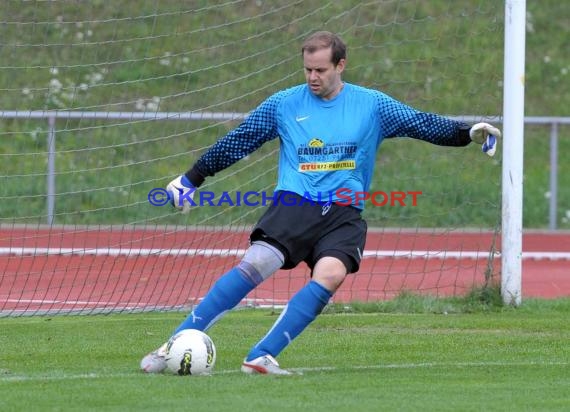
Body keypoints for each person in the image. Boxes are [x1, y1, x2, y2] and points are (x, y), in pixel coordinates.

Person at [140, 31, 501, 375]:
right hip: (296, 202)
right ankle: (170, 347)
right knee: (258, 262)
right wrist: (192, 178)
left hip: (344, 210)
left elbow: (420, 123)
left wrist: (466, 133)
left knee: (331, 274)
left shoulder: (372, 104)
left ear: (340, 66)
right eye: (308, 70)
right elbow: (241, 140)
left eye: (321, 70)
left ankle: (261, 356)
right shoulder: (284, 103)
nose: (313, 77)